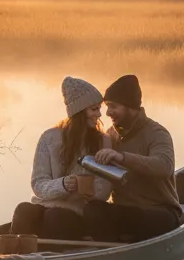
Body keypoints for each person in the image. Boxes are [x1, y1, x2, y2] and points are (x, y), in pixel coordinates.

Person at [10, 77, 113, 241]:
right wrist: (63, 184)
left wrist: (89, 192)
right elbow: (38, 183)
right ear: (79, 111)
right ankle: (17, 258)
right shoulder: (49, 138)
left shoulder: (104, 141)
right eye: (94, 109)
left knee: (56, 217)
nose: (99, 114)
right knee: (23, 210)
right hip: (45, 205)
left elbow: (105, 188)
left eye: (99, 109)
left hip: (78, 211)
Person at [84, 74, 182, 242]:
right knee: (93, 210)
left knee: (149, 219)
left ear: (130, 106)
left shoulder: (157, 133)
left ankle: (125, 254)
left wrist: (122, 157)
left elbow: (164, 166)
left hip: (160, 210)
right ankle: (109, 252)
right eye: (107, 106)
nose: (108, 113)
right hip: (126, 210)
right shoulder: (110, 135)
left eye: (113, 106)